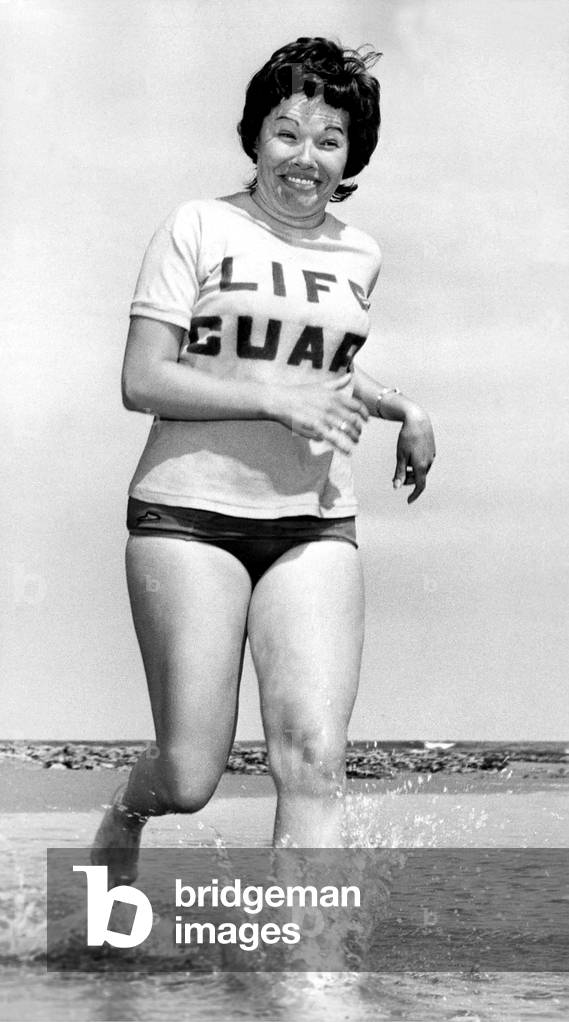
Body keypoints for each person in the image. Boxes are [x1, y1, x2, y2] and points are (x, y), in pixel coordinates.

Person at [91, 36, 435, 883]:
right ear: (254, 138)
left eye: (328, 140)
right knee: (189, 776)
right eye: (286, 132)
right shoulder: (198, 225)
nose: (305, 156)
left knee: (314, 759)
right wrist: (276, 400)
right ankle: (123, 816)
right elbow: (144, 378)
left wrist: (400, 406)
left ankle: (301, 980)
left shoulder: (359, 254)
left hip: (313, 522)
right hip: (189, 519)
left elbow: (321, 370)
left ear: (352, 155)